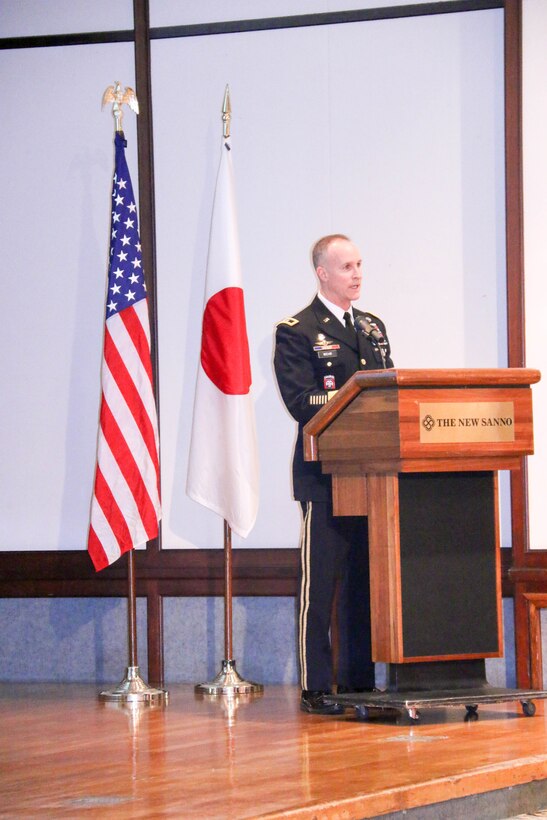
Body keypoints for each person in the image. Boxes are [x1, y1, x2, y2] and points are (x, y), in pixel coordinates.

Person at [273, 234, 394, 715]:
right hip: (323, 477)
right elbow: (302, 403)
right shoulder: (297, 330)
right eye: (347, 266)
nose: (357, 274)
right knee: (318, 588)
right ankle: (317, 687)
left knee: (365, 585)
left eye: (360, 264)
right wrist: (354, 398)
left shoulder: (373, 326)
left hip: (371, 478)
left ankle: (360, 682)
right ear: (322, 273)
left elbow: (389, 393)